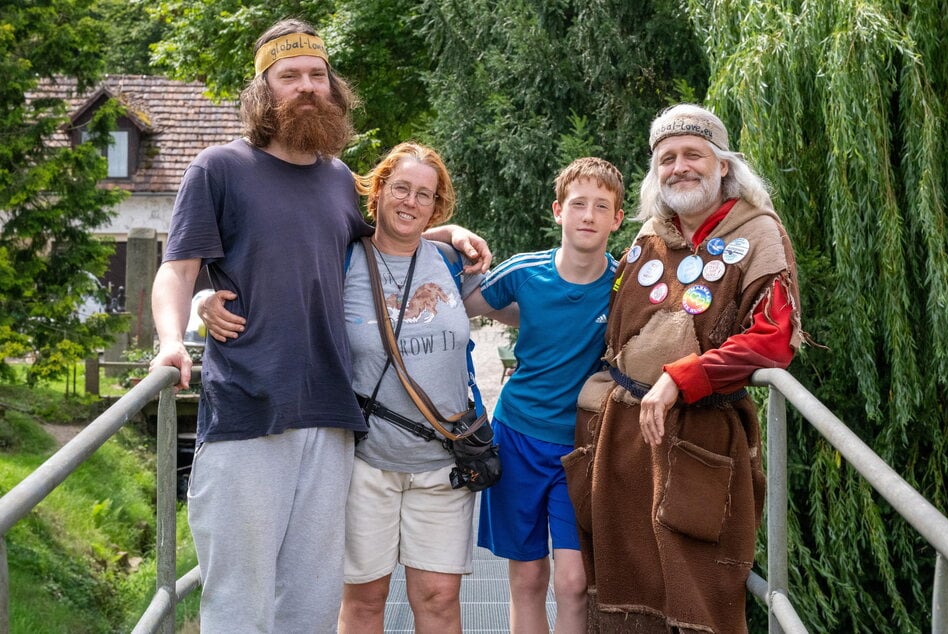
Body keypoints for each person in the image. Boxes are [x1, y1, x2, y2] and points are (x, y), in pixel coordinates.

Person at [148, 19, 489, 633]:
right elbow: (176, 271)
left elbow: (373, 245)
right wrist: (176, 336)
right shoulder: (219, 168)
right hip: (250, 408)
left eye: (316, 75)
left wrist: (441, 232)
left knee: (310, 601)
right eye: (289, 77)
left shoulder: (336, 178)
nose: (306, 86)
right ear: (262, 91)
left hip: (333, 416)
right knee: (238, 598)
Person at [562, 104, 805, 632]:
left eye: (693, 154)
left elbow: (775, 337)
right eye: (666, 158)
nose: (680, 167)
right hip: (621, 441)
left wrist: (684, 376)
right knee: (623, 597)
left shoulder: (757, 232)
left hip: (700, 438)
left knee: (698, 597)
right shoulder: (650, 234)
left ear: (723, 165)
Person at [467, 157, 625, 633]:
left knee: (574, 582)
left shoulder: (622, 286)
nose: (588, 215)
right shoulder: (523, 271)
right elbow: (462, 304)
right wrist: (451, 238)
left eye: (602, 206)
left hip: (580, 448)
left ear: (617, 219)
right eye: (578, 204)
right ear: (558, 210)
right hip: (518, 439)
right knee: (529, 577)